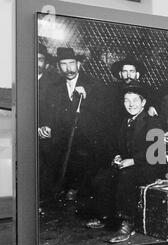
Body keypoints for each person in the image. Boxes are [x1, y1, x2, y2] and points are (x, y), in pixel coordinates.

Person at [87, 84, 161, 243]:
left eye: (135, 100)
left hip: (148, 166)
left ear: (143, 102)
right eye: (126, 100)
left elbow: (157, 152)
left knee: (126, 179)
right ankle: (106, 216)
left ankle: (128, 223)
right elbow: (120, 146)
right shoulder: (125, 121)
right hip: (129, 164)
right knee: (103, 177)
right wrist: (117, 157)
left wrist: (133, 161)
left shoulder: (152, 122)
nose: (131, 104)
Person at [47, 47, 109, 201]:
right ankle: (60, 187)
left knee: (83, 152)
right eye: (63, 64)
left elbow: (103, 113)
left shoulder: (94, 84)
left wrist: (86, 98)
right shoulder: (55, 86)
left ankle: (77, 188)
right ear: (58, 67)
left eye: (71, 63)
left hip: (88, 135)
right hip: (64, 134)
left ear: (78, 64)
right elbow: (51, 113)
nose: (68, 68)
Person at [107, 56, 159, 145]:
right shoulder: (113, 90)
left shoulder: (147, 89)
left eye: (132, 71)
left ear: (137, 74)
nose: (128, 75)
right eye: (125, 71)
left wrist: (152, 107)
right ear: (120, 74)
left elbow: (156, 102)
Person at [37, 43, 62, 205]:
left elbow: (57, 110)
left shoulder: (54, 83)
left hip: (45, 129)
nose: (35, 62)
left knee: (49, 155)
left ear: (46, 63)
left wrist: (48, 126)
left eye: (40, 59)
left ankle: (44, 197)